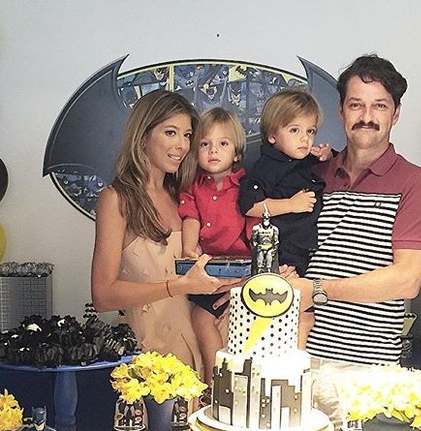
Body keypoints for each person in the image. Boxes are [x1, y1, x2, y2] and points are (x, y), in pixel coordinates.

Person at [293, 55, 421, 430]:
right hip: (293, 360)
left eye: (380, 106)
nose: (367, 116)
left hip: (363, 373)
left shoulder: (416, 183)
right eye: (356, 104)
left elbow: (407, 280)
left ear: (396, 114)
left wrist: (318, 290)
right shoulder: (311, 176)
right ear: (341, 110)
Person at [91, 90, 236, 373]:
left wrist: (230, 285)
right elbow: (102, 295)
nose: (182, 145)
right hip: (158, 364)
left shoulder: (185, 195)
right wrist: (178, 286)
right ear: (143, 136)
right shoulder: (117, 199)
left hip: (213, 349)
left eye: (187, 135)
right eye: (171, 133)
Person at [238, 88, 331, 346]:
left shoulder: (305, 160)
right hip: (284, 252)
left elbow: (329, 161)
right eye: (294, 130)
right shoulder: (268, 166)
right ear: (272, 135)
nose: (305, 139)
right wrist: (290, 204)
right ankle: (289, 357)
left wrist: (328, 155)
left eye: (310, 131)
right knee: (292, 313)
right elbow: (249, 205)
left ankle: (297, 356)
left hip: (307, 251)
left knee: (305, 315)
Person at [178, 107, 254, 383]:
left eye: (223, 144)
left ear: (236, 153)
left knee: (245, 325)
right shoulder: (193, 186)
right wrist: (189, 249)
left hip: (243, 270)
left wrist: (254, 272)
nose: (213, 151)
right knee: (201, 317)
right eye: (205, 144)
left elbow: (256, 225)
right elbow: (191, 217)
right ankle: (215, 380)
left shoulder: (247, 185)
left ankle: (241, 381)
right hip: (209, 269)